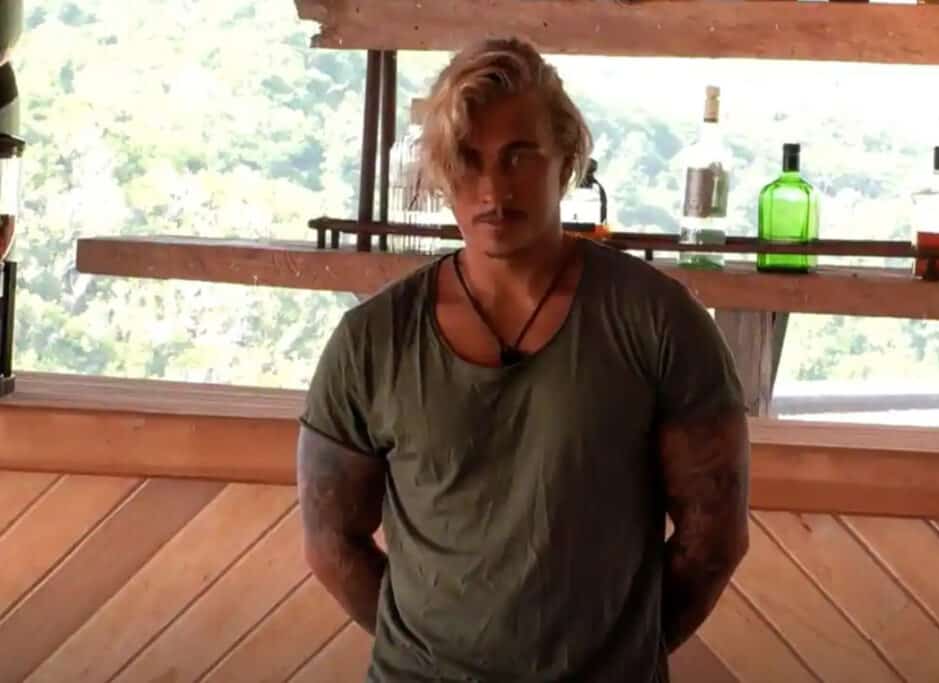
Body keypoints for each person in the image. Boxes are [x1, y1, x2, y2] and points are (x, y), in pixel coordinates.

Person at [296, 36, 750, 683]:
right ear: (441, 171)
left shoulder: (658, 321)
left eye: (518, 157)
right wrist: (427, 652)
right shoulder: (372, 339)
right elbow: (330, 540)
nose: (492, 188)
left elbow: (714, 540)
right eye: (468, 160)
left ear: (565, 160)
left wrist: (621, 653)